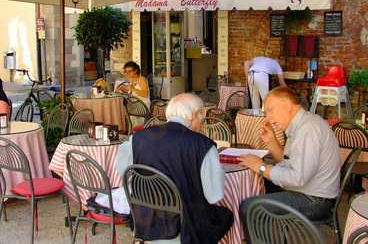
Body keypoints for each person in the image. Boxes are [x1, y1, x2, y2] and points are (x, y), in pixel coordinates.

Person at [116, 93, 233, 244]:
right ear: (195, 115)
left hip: (145, 221)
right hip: (186, 228)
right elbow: (214, 196)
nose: (202, 122)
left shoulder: (137, 138)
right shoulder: (203, 144)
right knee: (226, 215)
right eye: (201, 116)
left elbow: (123, 172)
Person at [239, 87, 341, 238]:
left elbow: (297, 178)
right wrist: (272, 142)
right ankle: (268, 237)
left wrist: (261, 166)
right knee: (259, 183)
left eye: (270, 110)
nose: (268, 117)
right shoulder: (302, 124)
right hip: (310, 191)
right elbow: (289, 162)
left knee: (250, 207)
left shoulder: (308, 129)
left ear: (287, 105)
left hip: (316, 200)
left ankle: (263, 239)